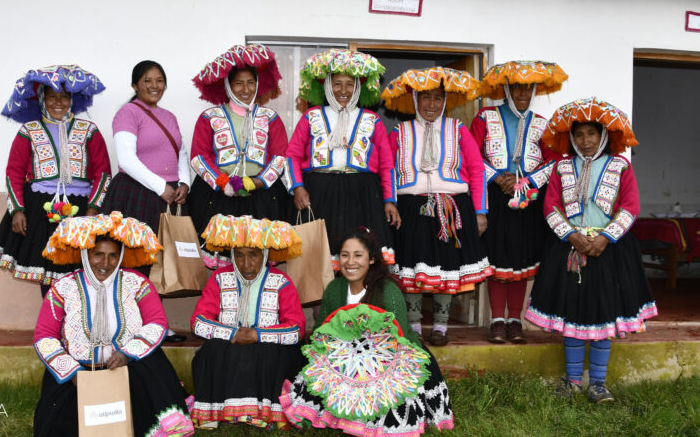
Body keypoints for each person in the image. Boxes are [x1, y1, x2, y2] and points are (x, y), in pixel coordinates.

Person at [525, 98, 658, 403]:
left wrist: (605, 238)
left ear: (604, 136)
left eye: (591, 134)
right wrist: (571, 236)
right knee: (571, 314)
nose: (585, 141)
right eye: (579, 135)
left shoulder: (619, 166)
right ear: (571, 138)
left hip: (609, 252)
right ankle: (572, 381)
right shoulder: (561, 167)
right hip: (568, 250)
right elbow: (550, 207)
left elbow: (630, 207)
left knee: (602, 316)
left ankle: (598, 383)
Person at [32, 212, 194, 436]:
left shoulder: (136, 283)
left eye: (113, 256)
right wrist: (72, 373)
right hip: (77, 374)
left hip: (132, 367)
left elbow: (157, 323)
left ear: (121, 256)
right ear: (85, 253)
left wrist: (128, 353)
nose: (105, 263)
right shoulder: (63, 288)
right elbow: (45, 336)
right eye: (98, 254)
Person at [280, 227, 454, 435]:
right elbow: (321, 332)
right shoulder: (335, 289)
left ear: (371, 259)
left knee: (391, 403)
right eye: (344, 255)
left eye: (358, 255)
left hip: (390, 358)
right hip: (346, 355)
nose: (350, 262)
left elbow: (398, 342)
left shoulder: (388, 292)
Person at [380, 67, 491, 346]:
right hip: (410, 209)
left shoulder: (458, 130)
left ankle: (441, 326)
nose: (432, 105)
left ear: (445, 101)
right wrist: (389, 202)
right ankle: (415, 325)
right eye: (426, 97)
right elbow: (388, 171)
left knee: (446, 266)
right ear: (415, 100)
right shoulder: (400, 132)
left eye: (438, 98)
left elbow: (477, 170)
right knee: (413, 268)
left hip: (452, 208)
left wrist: (480, 212)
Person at [0, 65, 111, 296]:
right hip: (40, 210)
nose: (59, 103)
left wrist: (93, 209)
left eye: (64, 97)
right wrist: (17, 210)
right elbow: (13, 173)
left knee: (79, 271)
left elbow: (103, 173)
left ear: (72, 100)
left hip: (81, 210)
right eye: (52, 97)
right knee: (47, 272)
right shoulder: (29, 131)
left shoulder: (89, 130)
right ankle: (52, 323)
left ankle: (76, 324)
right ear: (42, 100)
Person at [470, 60, 567, 344]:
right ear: (507, 89)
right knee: (498, 259)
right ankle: (497, 320)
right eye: (517, 87)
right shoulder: (485, 117)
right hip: (495, 198)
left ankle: (515, 320)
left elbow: (554, 162)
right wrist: (498, 178)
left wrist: (529, 181)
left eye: (528, 87)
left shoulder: (543, 124)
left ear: (535, 89)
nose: (523, 92)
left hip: (529, 200)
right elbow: (472, 157)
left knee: (522, 261)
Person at [188, 214, 306, 429]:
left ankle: (263, 412)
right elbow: (198, 322)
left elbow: (297, 329)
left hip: (265, 346)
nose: (246, 263)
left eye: (253, 255)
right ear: (232, 255)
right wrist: (233, 334)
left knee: (269, 352)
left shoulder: (281, 281)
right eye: (239, 255)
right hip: (231, 341)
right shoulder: (219, 278)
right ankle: (217, 413)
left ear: (265, 254)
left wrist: (256, 335)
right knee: (212, 351)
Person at [286, 49, 399, 264]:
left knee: (358, 256)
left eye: (350, 84)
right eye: (337, 83)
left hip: (362, 195)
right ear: (327, 85)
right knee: (319, 260)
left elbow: (387, 165)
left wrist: (389, 200)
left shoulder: (372, 120)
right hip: (319, 193)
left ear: (358, 87)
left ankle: (357, 298)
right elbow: (291, 156)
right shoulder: (311, 116)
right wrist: (297, 187)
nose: (343, 90)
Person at [189, 44, 290, 269]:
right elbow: (199, 157)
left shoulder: (270, 117)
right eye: (238, 83)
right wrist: (223, 182)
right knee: (223, 260)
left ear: (257, 85)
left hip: (262, 195)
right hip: (218, 195)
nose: (245, 89)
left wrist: (257, 181)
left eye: (250, 82)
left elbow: (280, 156)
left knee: (257, 259)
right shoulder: (210, 117)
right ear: (228, 85)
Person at [101, 60, 191, 243]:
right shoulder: (127, 112)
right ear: (135, 85)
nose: (154, 86)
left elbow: (180, 153)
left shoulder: (169, 116)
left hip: (171, 195)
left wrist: (184, 183)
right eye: (147, 81)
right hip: (137, 193)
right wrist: (160, 187)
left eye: (159, 81)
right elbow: (126, 159)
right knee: (138, 254)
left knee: (171, 258)